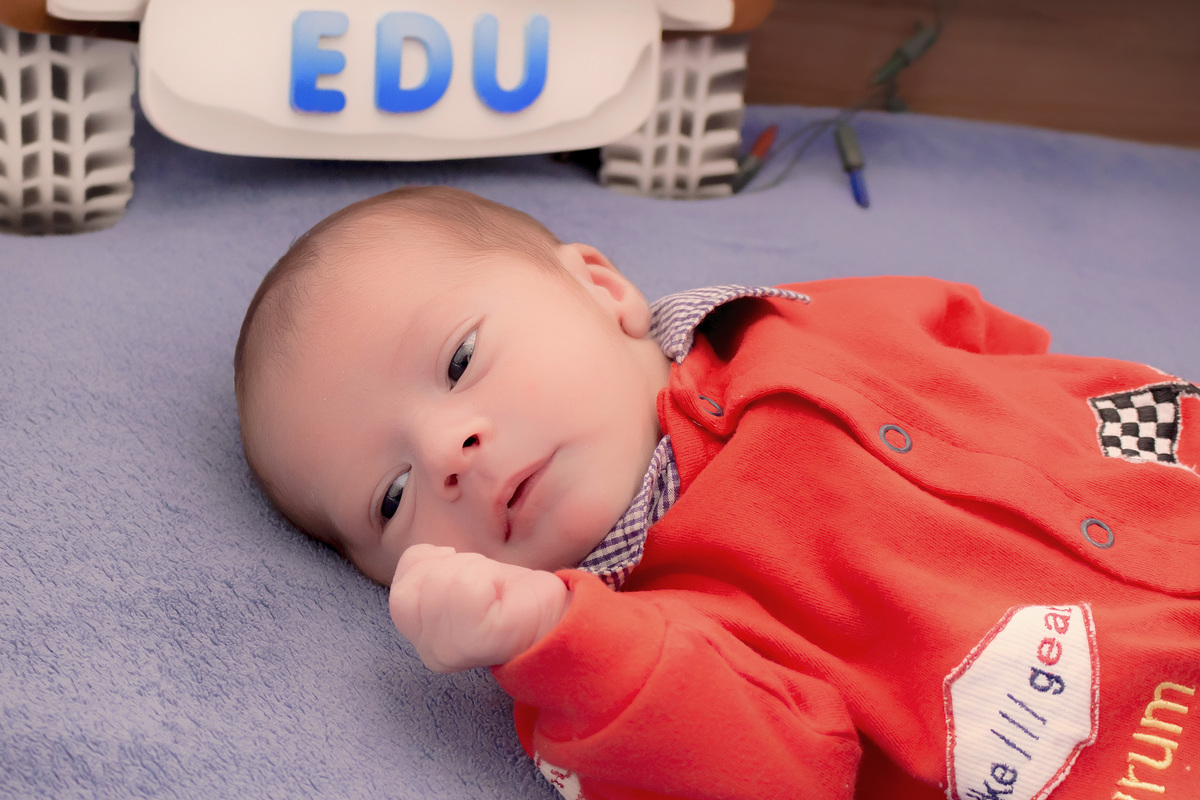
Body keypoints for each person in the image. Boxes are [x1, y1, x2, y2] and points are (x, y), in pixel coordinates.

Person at [234, 185, 1200, 800]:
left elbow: (977, 335)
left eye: (459, 359)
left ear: (598, 288)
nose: (449, 450)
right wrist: (549, 639)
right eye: (393, 497)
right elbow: (771, 773)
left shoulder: (791, 324)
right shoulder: (648, 647)